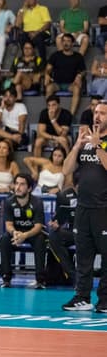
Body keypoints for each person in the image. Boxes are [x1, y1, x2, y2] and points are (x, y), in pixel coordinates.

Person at [61, 102, 107, 313]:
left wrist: (99, 145)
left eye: (102, 113)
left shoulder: (100, 143)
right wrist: (77, 146)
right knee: (83, 255)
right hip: (83, 208)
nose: (97, 116)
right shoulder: (85, 142)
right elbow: (66, 169)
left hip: (103, 209)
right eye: (95, 112)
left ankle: (105, 299)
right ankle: (82, 297)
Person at [0, 173, 46, 289]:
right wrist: (14, 233)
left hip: (32, 233)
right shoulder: (9, 202)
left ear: (29, 188)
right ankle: (6, 278)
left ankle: (40, 280)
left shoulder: (37, 203)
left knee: (41, 239)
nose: (18, 187)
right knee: (4, 239)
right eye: (16, 184)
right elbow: (8, 224)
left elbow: (38, 226)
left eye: (22, 184)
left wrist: (25, 235)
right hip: (16, 233)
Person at [47, 181, 78, 283]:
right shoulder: (64, 195)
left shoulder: (96, 195)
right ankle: (73, 275)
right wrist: (55, 224)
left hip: (92, 232)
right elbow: (58, 218)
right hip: (72, 232)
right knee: (54, 235)